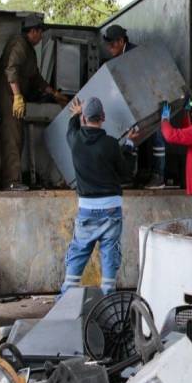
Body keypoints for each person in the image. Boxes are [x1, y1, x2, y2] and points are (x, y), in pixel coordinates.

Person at [61, 96, 142, 295]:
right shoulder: (111, 144)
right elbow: (127, 174)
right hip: (111, 210)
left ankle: (65, 300)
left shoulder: (75, 141)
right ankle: (108, 300)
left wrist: (77, 113)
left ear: (83, 119)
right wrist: (130, 145)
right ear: (103, 117)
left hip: (86, 210)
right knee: (109, 257)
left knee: (78, 254)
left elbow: (71, 128)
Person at [0, 14, 68, 191]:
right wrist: (18, 97)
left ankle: (14, 179)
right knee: (12, 137)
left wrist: (54, 93)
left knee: (17, 137)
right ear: (33, 31)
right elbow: (10, 69)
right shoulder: (19, 44)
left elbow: (36, 78)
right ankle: (11, 182)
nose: (41, 36)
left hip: (15, 96)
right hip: (9, 95)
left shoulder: (29, 49)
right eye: (40, 32)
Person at [102, 24, 165, 189]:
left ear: (121, 41)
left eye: (112, 44)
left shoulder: (135, 55)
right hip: (136, 104)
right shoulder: (118, 58)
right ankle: (130, 175)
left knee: (157, 136)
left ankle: (159, 176)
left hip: (152, 100)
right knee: (134, 137)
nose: (109, 48)